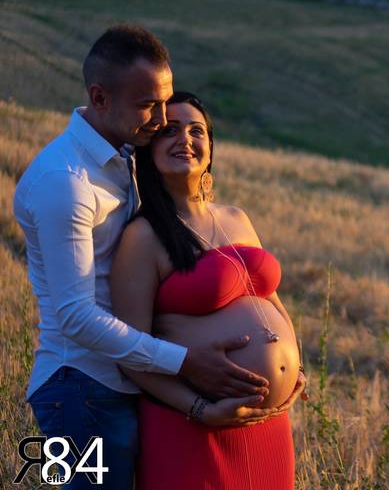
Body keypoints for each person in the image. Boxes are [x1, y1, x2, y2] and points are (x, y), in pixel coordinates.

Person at [13, 25, 275, 489]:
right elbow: (76, 316)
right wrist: (184, 360)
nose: (158, 119)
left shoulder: (123, 160)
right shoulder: (66, 182)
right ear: (99, 98)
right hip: (80, 392)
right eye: (147, 105)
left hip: (121, 387)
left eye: (165, 101)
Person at [109, 91, 305, 489]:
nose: (186, 139)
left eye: (196, 130)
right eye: (170, 130)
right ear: (149, 147)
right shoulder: (143, 237)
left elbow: (271, 301)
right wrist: (200, 409)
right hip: (193, 426)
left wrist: (294, 365)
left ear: (210, 148)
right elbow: (130, 353)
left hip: (268, 426)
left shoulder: (237, 217)